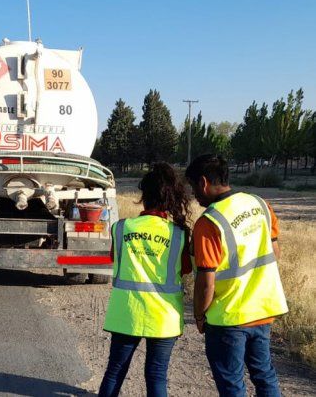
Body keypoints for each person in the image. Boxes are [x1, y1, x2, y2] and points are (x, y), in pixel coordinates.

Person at [185, 154, 288, 397]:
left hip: (228, 319)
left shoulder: (209, 222)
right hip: (263, 312)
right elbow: (274, 252)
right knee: (265, 376)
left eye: (193, 188)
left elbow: (206, 282)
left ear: (203, 182)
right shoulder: (261, 204)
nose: (194, 195)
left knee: (232, 385)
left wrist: (199, 315)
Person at [99, 162, 193, 397]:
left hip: (126, 313)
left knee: (115, 371)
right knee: (156, 375)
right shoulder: (178, 233)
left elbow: (115, 257)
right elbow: (185, 269)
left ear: (144, 196)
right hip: (163, 317)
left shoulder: (121, 228)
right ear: (171, 198)